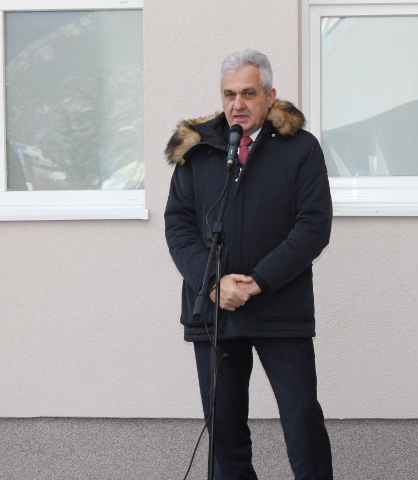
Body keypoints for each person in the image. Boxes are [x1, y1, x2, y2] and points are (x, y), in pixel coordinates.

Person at [164, 49, 333, 480]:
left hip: (281, 310)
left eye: (248, 93)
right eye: (229, 94)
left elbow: (313, 227)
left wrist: (256, 282)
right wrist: (214, 282)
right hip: (214, 313)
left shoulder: (301, 149)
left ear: (270, 96)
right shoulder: (199, 150)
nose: (237, 104)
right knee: (224, 433)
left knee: (302, 422)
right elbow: (179, 226)